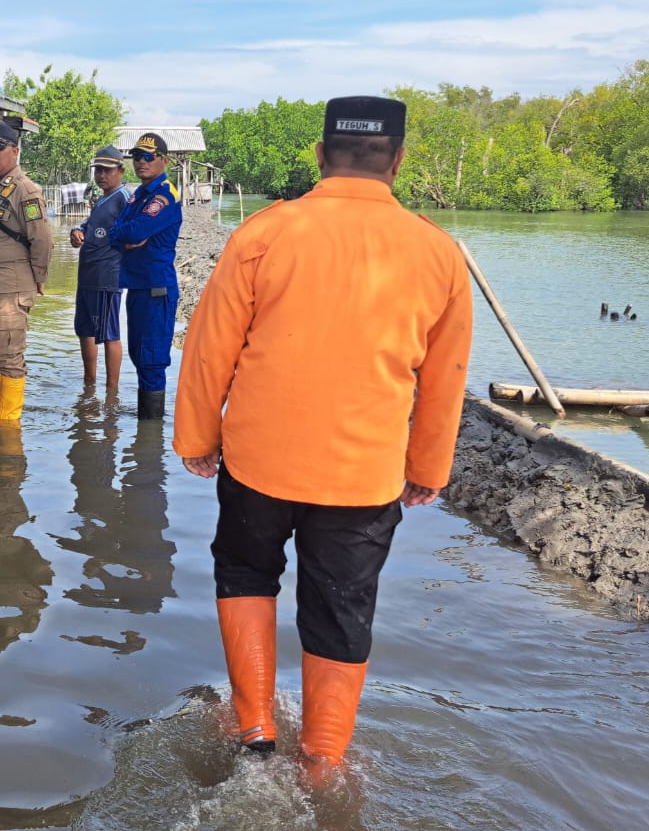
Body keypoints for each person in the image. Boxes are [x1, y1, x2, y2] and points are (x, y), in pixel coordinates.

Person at [173, 96, 473, 789]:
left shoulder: (265, 232)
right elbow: (445, 378)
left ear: (319, 156)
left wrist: (197, 437)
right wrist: (428, 466)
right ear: (398, 161)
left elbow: (210, 347)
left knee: (246, 573)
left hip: (257, 461)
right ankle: (324, 760)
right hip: (364, 477)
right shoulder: (437, 251)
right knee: (343, 603)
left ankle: (253, 727)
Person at [0, 120, 51, 422]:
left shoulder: (25, 190)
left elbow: (41, 238)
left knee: (8, 355)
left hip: (10, 288)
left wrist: (38, 278)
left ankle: (9, 421)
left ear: (14, 151)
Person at [108, 133, 182, 420]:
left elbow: (135, 231)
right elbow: (116, 233)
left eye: (148, 156)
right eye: (137, 156)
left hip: (156, 290)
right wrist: (125, 236)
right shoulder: (139, 194)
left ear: (164, 160)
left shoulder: (164, 196)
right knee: (139, 358)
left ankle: (151, 441)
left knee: (151, 363)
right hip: (138, 287)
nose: (141, 161)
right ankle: (146, 442)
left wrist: (129, 235)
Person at [69, 145, 131, 391]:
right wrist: (77, 231)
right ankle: (89, 384)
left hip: (108, 276)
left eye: (107, 170)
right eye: (98, 171)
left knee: (109, 334)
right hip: (87, 275)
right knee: (85, 329)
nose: (101, 175)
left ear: (120, 170)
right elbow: (90, 224)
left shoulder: (125, 198)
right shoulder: (101, 198)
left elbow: (136, 232)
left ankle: (112, 391)